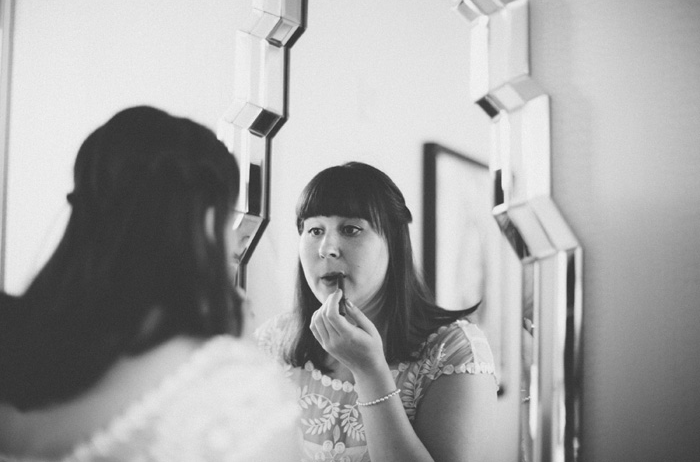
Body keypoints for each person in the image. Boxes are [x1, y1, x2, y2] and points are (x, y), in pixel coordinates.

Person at [0, 106, 298, 461]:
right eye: (227, 218)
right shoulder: (235, 395)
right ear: (204, 220)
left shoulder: (18, 341)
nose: (235, 244)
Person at [256, 162, 499, 462]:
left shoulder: (453, 351)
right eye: (315, 230)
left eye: (350, 229)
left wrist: (369, 371)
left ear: (393, 243)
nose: (327, 249)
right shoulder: (272, 341)